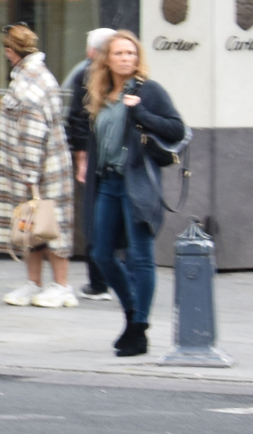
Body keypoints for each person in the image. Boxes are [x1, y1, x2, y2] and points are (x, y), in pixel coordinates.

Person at [80, 30, 189, 356]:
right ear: (107, 59)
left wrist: (141, 113)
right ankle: (132, 314)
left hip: (138, 183)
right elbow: (96, 139)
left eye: (131, 53)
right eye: (119, 53)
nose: (126, 58)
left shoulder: (148, 91)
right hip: (108, 183)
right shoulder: (101, 94)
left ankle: (139, 327)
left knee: (141, 257)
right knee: (100, 253)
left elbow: (177, 128)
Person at [0, 24, 74, 306]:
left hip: (41, 167)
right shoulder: (33, 75)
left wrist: (30, 176)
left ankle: (61, 286)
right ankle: (35, 283)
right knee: (33, 226)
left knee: (49, 224)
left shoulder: (29, 82)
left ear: (10, 51)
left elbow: (33, 132)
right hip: (43, 164)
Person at [62, 27, 116, 298]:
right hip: (110, 156)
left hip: (99, 157)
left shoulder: (88, 73)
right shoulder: (111, 76)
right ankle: (104, 278)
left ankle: (99, 281)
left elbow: (77, 118)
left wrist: (80, 157)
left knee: (96, 217)